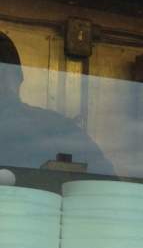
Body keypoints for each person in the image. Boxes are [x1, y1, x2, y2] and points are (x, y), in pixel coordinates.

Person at [0, 29, 113, 175]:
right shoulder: (57, 127)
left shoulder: (57, 128)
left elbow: (106, 181)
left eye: (5, 72)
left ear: (17, 78)